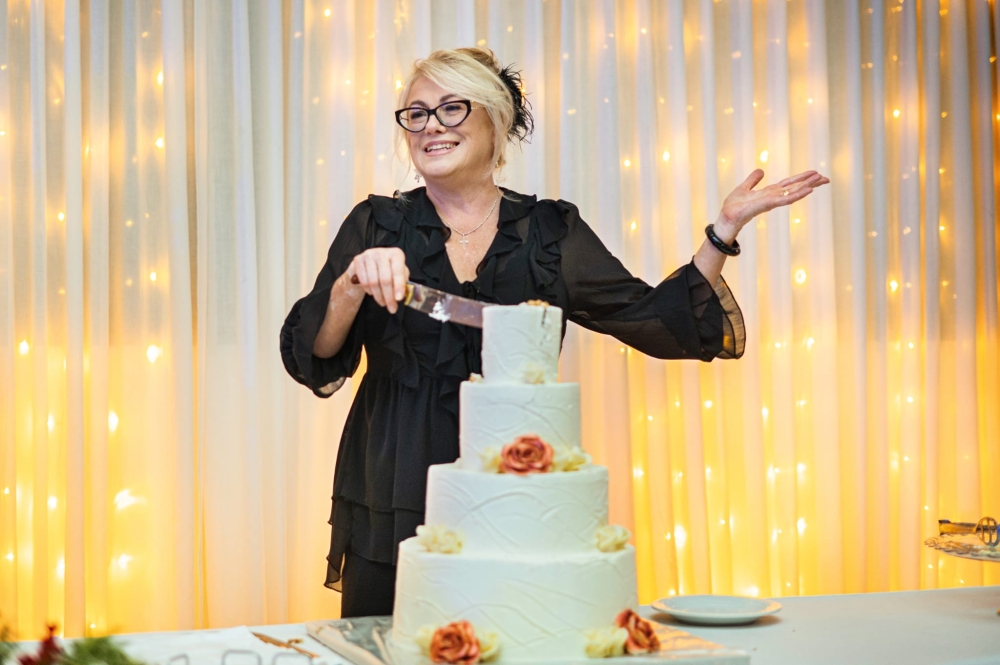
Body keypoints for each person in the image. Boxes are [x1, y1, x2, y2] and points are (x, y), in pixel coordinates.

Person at [280, 47, 829, 618]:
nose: (431, 126)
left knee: (512, 634)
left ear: (495, 120)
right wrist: (351, 284)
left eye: (451, 108)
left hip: (517, 480)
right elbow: (316, 355)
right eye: (416, 114)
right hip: (392, 475)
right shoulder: (376, 223)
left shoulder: (549, 232)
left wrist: (722, 231)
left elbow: (656, 321)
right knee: (391, 641)